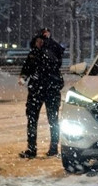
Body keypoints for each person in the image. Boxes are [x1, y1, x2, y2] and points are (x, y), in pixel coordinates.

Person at [18, 29, 65, 158]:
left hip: (50, 89)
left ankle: (53, 148)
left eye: (42, 41)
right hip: (37, 90)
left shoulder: (52, 52)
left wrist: (49, 42)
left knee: (52, 120)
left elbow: (57, 56)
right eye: (38, 41)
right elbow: (27, 68)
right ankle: (32, 148)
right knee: (32, 119)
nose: (39, 43)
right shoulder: (33, 54)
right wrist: (23, 77)